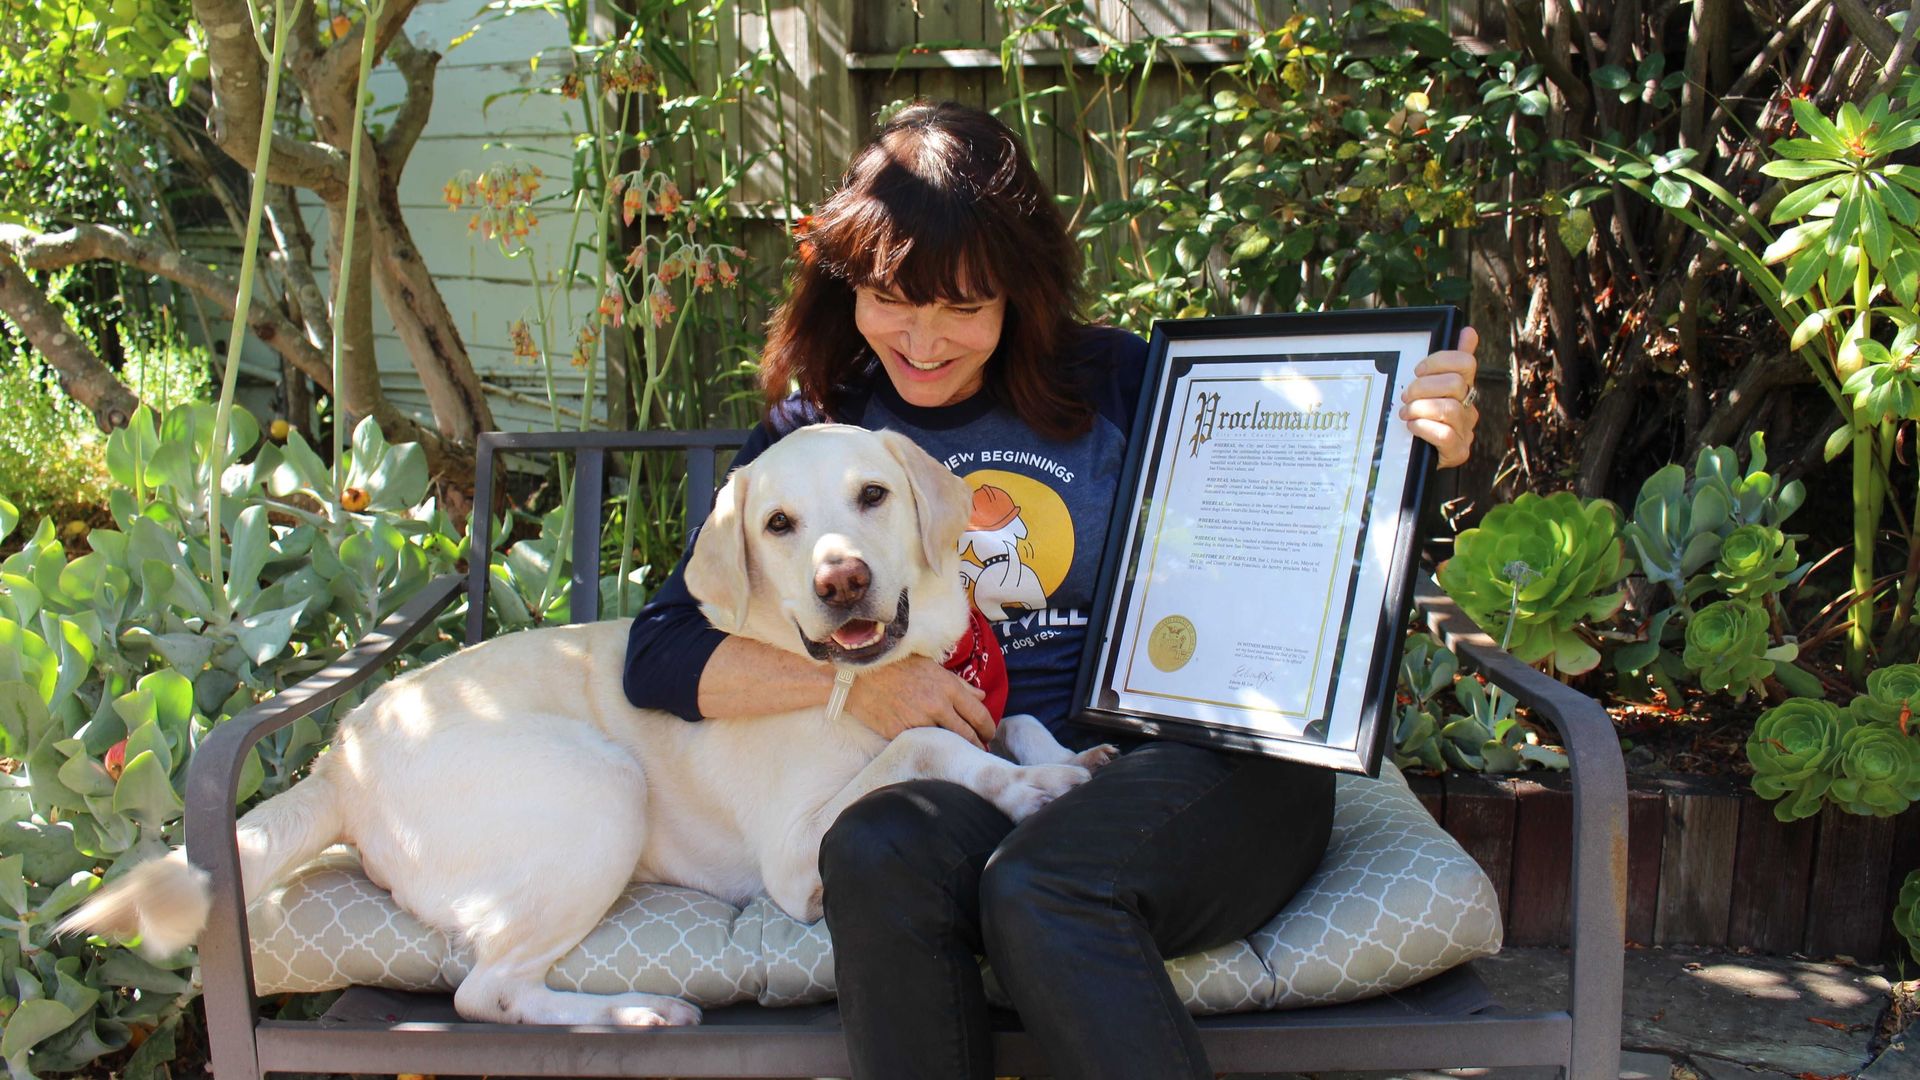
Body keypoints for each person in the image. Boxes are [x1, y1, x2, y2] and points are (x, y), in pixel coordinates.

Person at [622, 101, 1481, 1080]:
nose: (926, 337)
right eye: (896, 295)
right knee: (872, 852)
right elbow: (661, 653)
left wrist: (1408, 439)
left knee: (1041, 886)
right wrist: (861, 689)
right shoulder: (821, 433)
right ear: (848, 280)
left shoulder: (1114, 378)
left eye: (965, 305)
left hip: (1205, 756)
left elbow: (1292, 494)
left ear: (1018, 297)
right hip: (1003, 777)